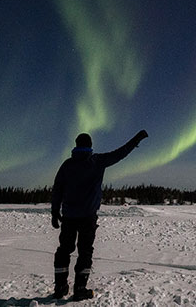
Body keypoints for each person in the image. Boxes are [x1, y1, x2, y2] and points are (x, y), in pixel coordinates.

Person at [50, 129, 148, 300]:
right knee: (85, 252)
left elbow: (57, 189)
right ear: (90, 146)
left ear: (76, 145)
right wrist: (137, 138)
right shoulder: (97, 161)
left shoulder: (67, 164)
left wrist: (54, 212)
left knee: (64, 250)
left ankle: (60, 287)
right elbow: (121, 153)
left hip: (69, 217)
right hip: (88, 217)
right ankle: (80, 289)